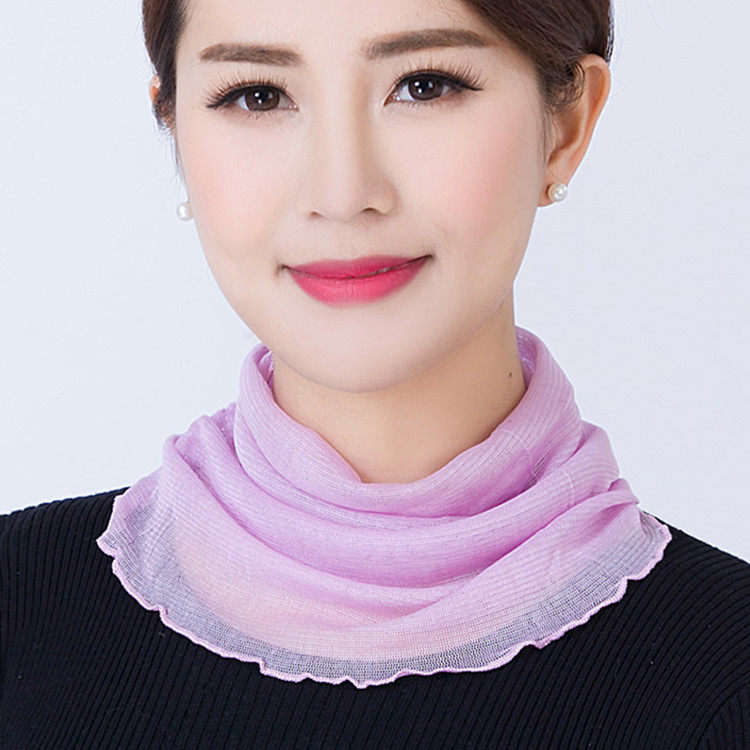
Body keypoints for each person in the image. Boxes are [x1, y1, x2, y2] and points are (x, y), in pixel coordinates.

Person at [1, 0, 748, 746]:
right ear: (175, 129)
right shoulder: (18, 601)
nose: (342, 194)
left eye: (424, 85)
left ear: (568, 125)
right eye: (257, 95)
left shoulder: (726, 677)